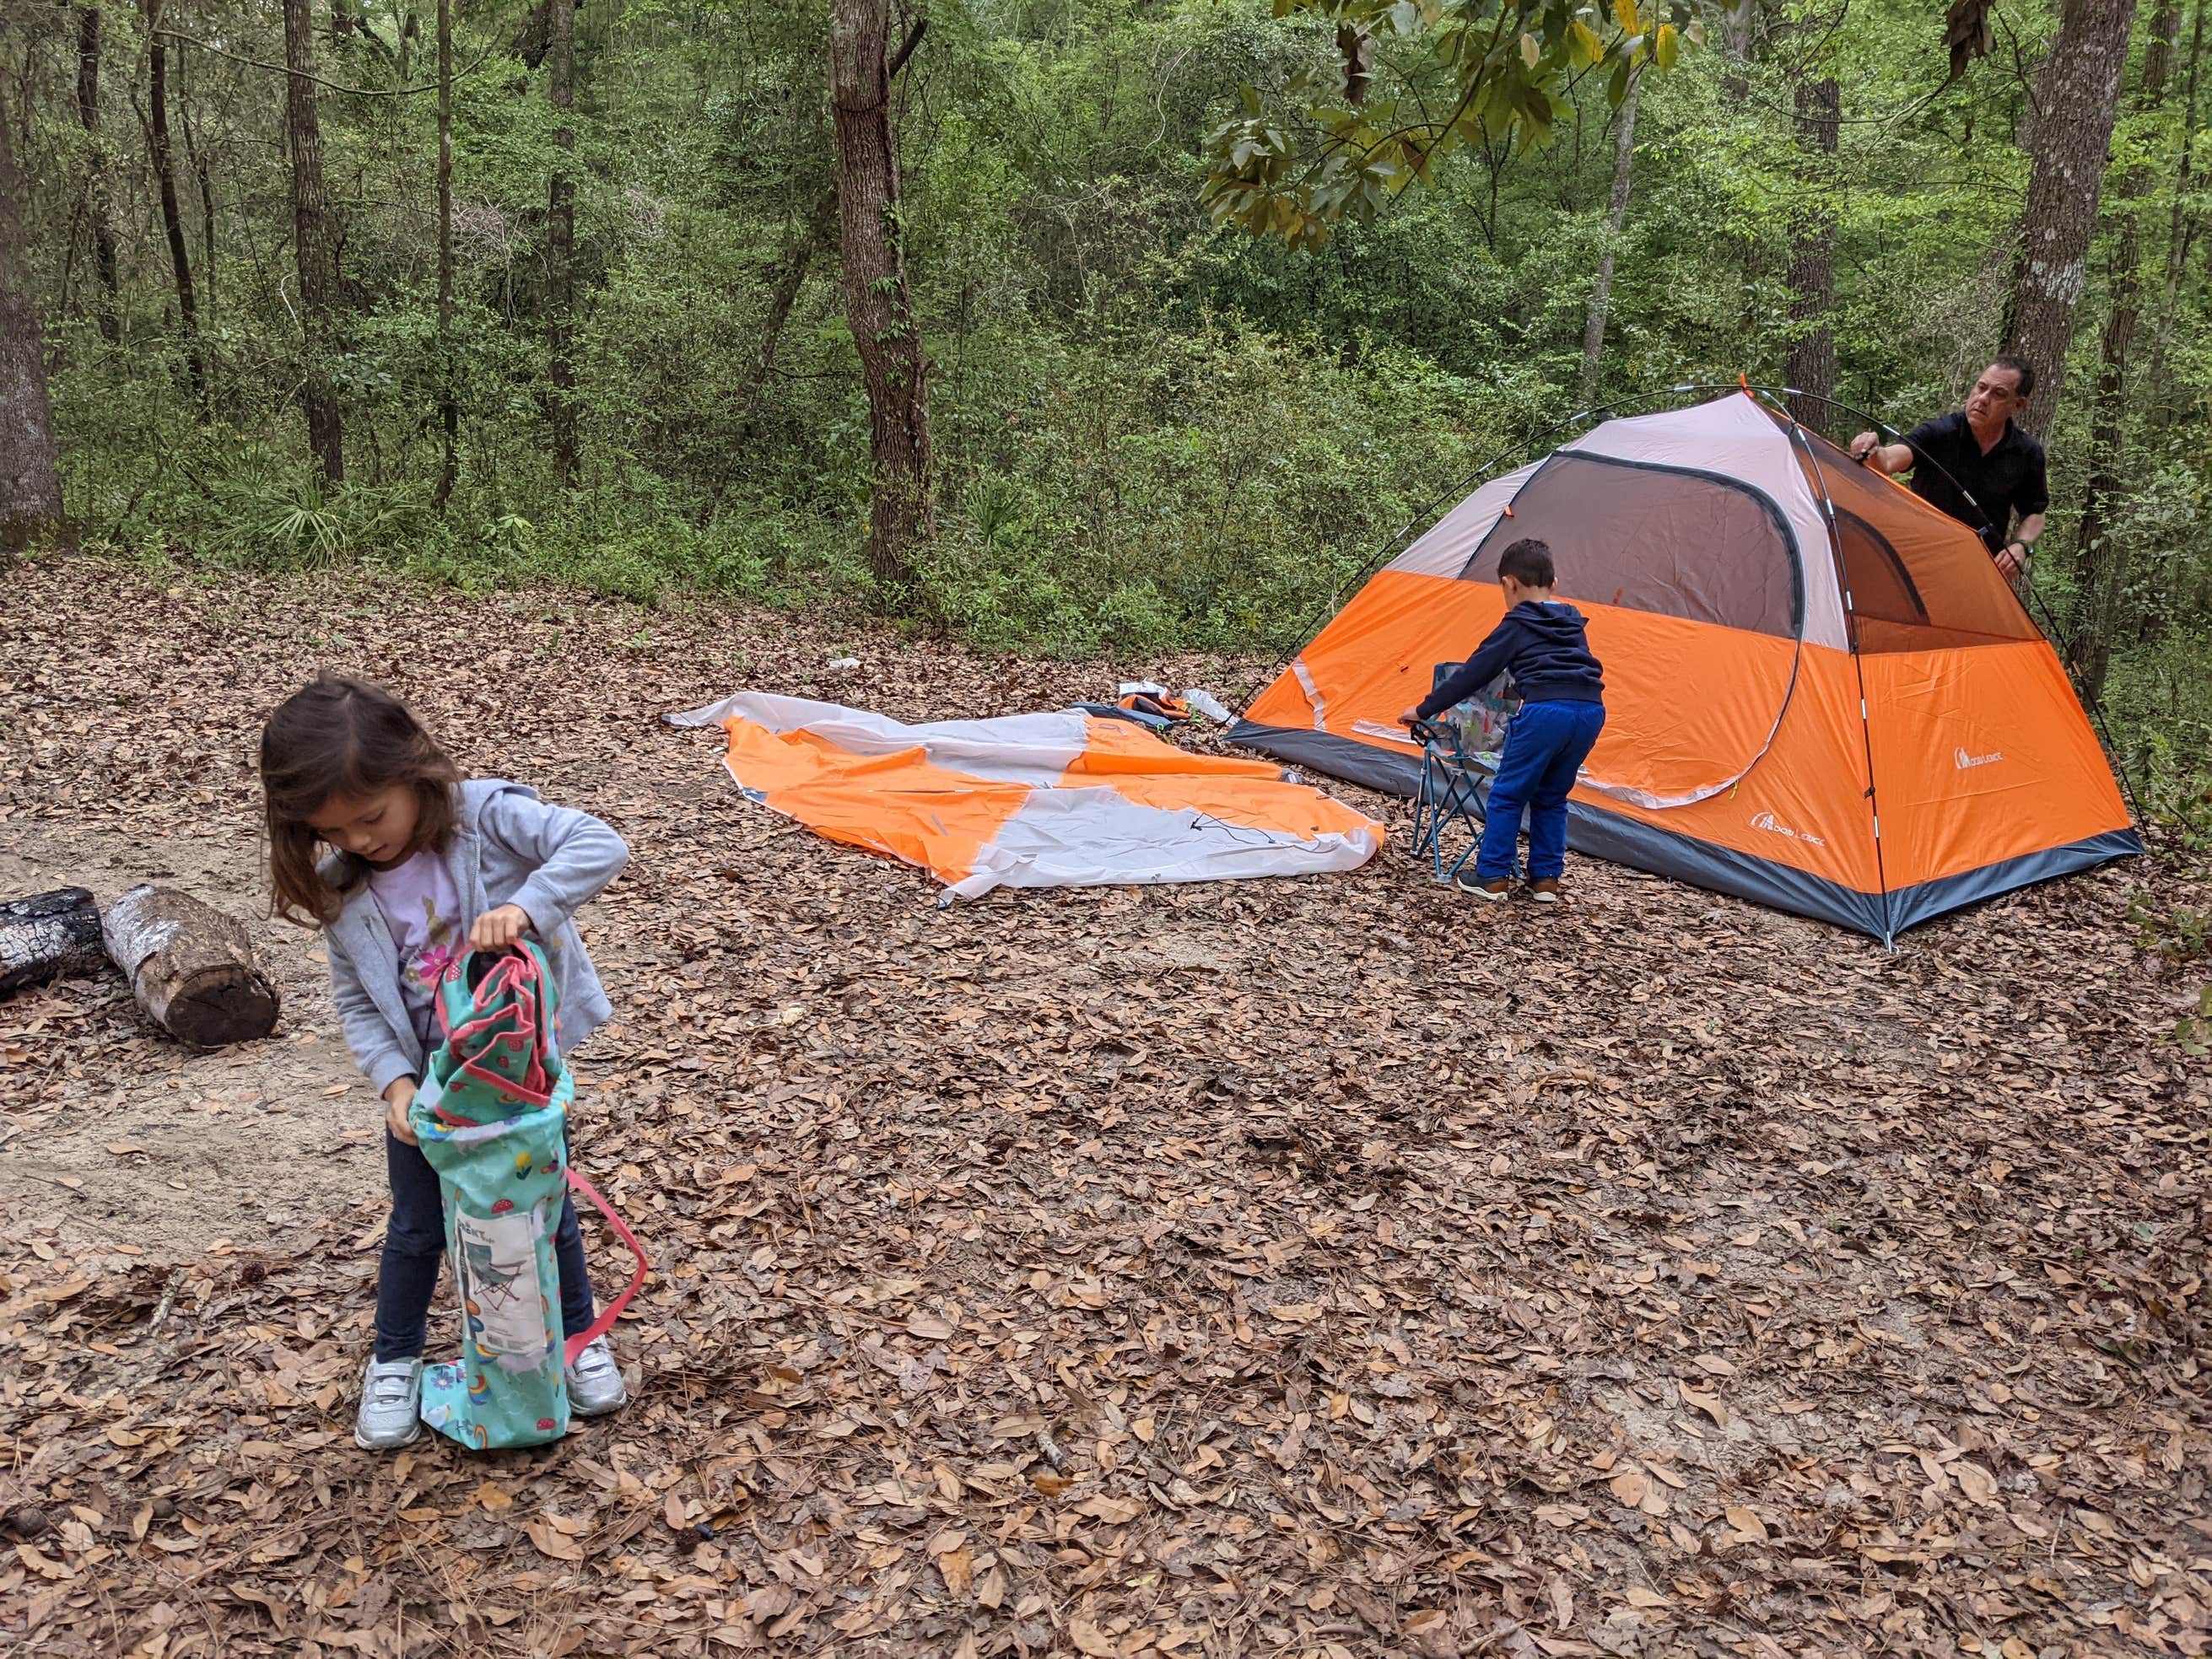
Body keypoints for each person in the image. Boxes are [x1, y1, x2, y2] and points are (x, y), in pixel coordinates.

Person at [260, 676, 633, 1451]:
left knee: (543, 1208)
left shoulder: (483, 817)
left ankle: (574, 1339)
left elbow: (600, 842)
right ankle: (393, 1360)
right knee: (419, 1223)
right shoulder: (343, 890)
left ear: (415, 772)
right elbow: (358, 1003)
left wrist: (527, 907)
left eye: (372, 816)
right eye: (336, 831)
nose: (362, 840)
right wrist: (395, 1083)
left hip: (512, 1071)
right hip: (430, 1089)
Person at [1398, 538, 1606, 902]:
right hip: (1590, 712)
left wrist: (1423, 710)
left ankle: (1492, 875)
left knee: (1508, 794)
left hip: (1545, 712)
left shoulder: (1517, 624)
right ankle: (1545, 880)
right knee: (1553, 796)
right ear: (1553, 584)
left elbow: (1473, 673)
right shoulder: (1572, 622)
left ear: (1509, 583)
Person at [1849, 356, 2047, 586]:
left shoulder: (2027, 453)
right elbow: (1888, 461)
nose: (1983, 399)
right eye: (1981, 387)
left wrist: (2022, 545)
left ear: (2018, 405)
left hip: (1975, 571)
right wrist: (1872, 450)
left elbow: (2035, 511)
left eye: (1998, 394)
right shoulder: (1941, 433)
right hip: (1914, 564)